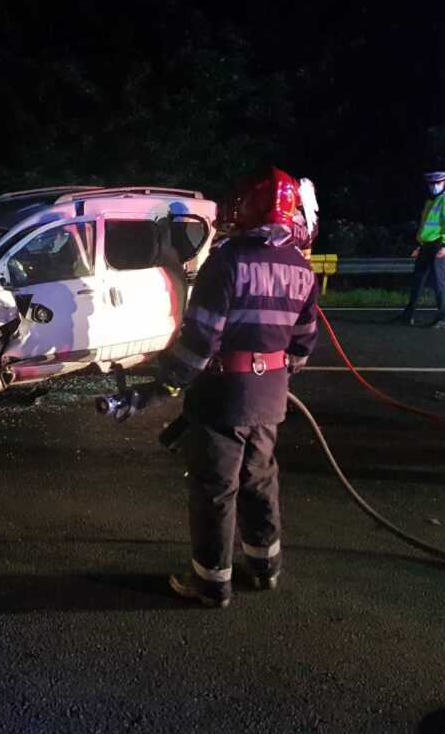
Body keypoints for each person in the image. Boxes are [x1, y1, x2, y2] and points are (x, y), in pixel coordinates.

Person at [110, 167, 319, 608]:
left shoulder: (227, 261)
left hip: (223, 395)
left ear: (246, 207)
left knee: (216, 488)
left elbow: (200, 341)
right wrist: (275, 376)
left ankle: (211, 582)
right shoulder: (301, 266)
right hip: (270, 396)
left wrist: (167, 383)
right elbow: (303, 342)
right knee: (260, 480)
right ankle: (265, 567)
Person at [393, 171, 445, 329]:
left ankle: (443, 318)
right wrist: (421, 245)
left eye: (438, 183)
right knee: (417, 281)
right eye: (432, 183)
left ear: (444, 183)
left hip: (438, 244)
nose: (434, 186)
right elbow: (426, 227)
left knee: (438, 282)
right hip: (427, 245)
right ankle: (408, 315)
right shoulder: (431, 201)